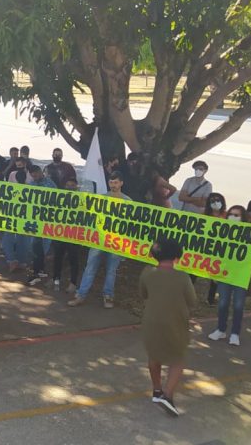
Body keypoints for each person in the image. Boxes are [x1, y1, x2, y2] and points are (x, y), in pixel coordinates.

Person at [140, 238, 196, 417]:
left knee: (154, 356)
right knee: (177, 359)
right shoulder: (183, 277)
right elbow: (192, 301)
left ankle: (157, 390)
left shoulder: (147, 273)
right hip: (175, 322)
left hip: (151, 320)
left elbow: (143, 294)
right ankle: (168, 395)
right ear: (177, 257)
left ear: (153, 254)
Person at [69, 172, 130, 308]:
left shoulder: (128, 201)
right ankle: (81, 295)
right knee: (90, 268)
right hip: (98, 239)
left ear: (121, 183)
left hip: (116, 241)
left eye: (116, 182)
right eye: (111, 182)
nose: (113, 185)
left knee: (111, 270)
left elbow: (129, 224)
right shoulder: (101, 198)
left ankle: (108, 296)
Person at [207, 206, 250, 346]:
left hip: (241, 275)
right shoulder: (222, 231)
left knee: (238, 305)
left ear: (243, 217)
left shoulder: (250, 233)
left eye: (237, 215)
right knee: (223, 303)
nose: (233, 217)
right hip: (224, 273)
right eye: (231, 214)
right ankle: (221, 329)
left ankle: (235, 333)